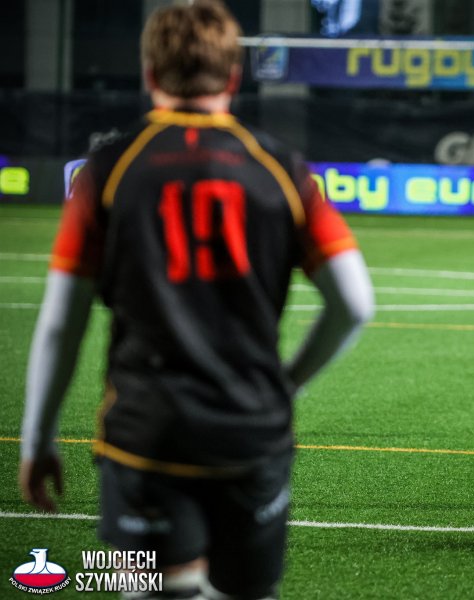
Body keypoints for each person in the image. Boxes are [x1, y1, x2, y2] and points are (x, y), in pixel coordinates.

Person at [18, 2, 374, 598]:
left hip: (144, 434)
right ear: (234, 76)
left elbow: (61, 323)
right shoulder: (281, 168)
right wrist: (286, 385)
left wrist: (37, 443)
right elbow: (355, 304)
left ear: (149, 72)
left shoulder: (107, 169)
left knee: (151, 590)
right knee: (244, 591)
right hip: (251, 430)